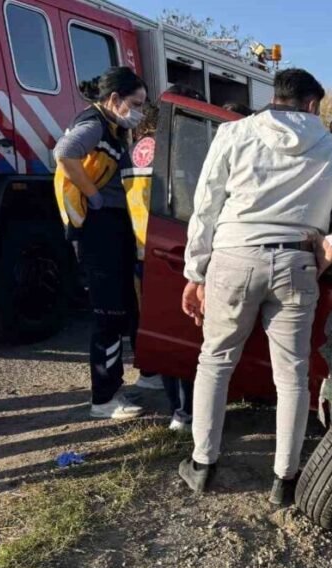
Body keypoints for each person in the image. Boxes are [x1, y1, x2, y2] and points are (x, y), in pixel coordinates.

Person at [178, 68, 332, 503]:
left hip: (234, 257)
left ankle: (202, 465)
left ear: (276, 96)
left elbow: (206, 207)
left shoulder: (234, 133)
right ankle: (285, 479)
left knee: (215, 361)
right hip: (296, 262)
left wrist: (195, 272)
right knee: (291, 374)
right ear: (313, 105)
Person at [54, 66, 148, 419]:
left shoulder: (110, 127)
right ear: (114, 99)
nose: (138, 111)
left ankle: (132, 380)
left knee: (122, 306)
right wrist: (92, 194)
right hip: (99, 228)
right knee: (108, 313)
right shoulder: (94, 124)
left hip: (111, 225)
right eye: (135, 104)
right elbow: (64, 152)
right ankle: (104, 398)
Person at [127, 102, 195, 432]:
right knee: (181, 334)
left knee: (160, 327)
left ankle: (176, 405)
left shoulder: (137, 150)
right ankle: (184, 412)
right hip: (172, 247)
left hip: (146, 249)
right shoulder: (172, 151)